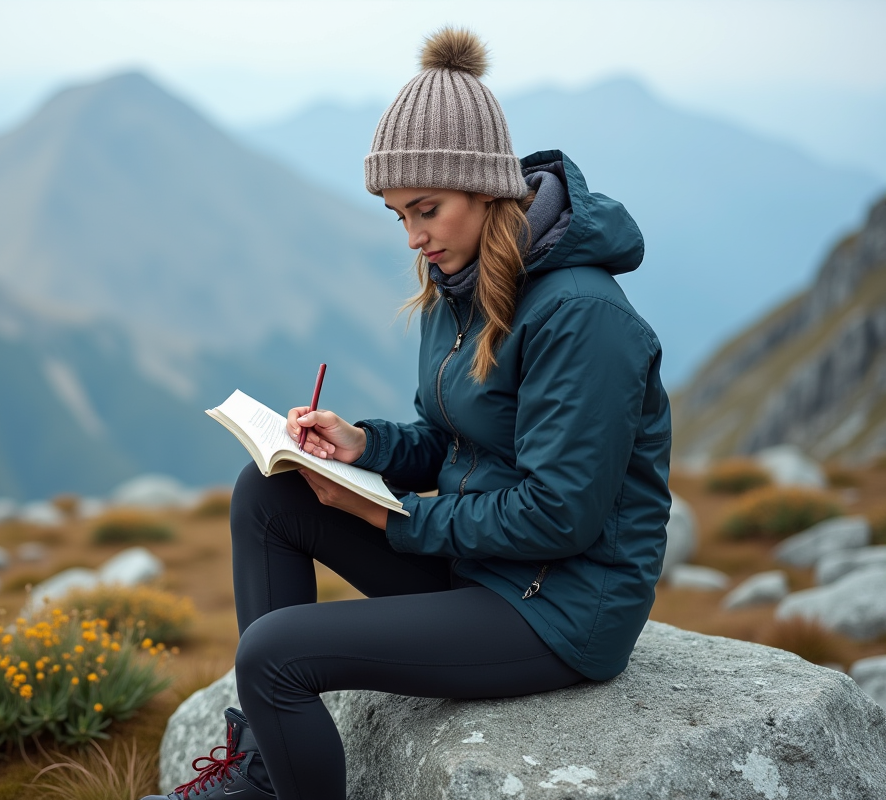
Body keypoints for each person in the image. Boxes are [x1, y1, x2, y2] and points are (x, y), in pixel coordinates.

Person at [143, 26, 671, 800]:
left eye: (427, 209)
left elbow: (563, 515)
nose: (416, 237)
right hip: (480, 567)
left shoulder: (581, 317)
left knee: (274, 656)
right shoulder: (460, 283)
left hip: (557, 608)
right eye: (399, 215)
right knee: (268, 495)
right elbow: (458, 438)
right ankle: (262, 773)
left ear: (488, 187)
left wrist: (398, 524)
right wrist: (365, 446)